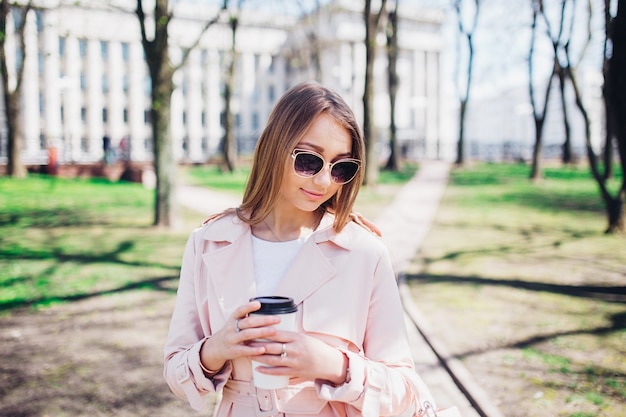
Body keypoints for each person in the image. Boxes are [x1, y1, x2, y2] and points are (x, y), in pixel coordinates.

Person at [164, 81, 436, 417]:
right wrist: (215, 349)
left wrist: (333, 365)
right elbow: (175, 371)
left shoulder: (365, 252)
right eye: (309, 161)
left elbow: (406, 392)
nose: (324, 182)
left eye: (341, 168)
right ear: (274, 148)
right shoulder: (208, 242)